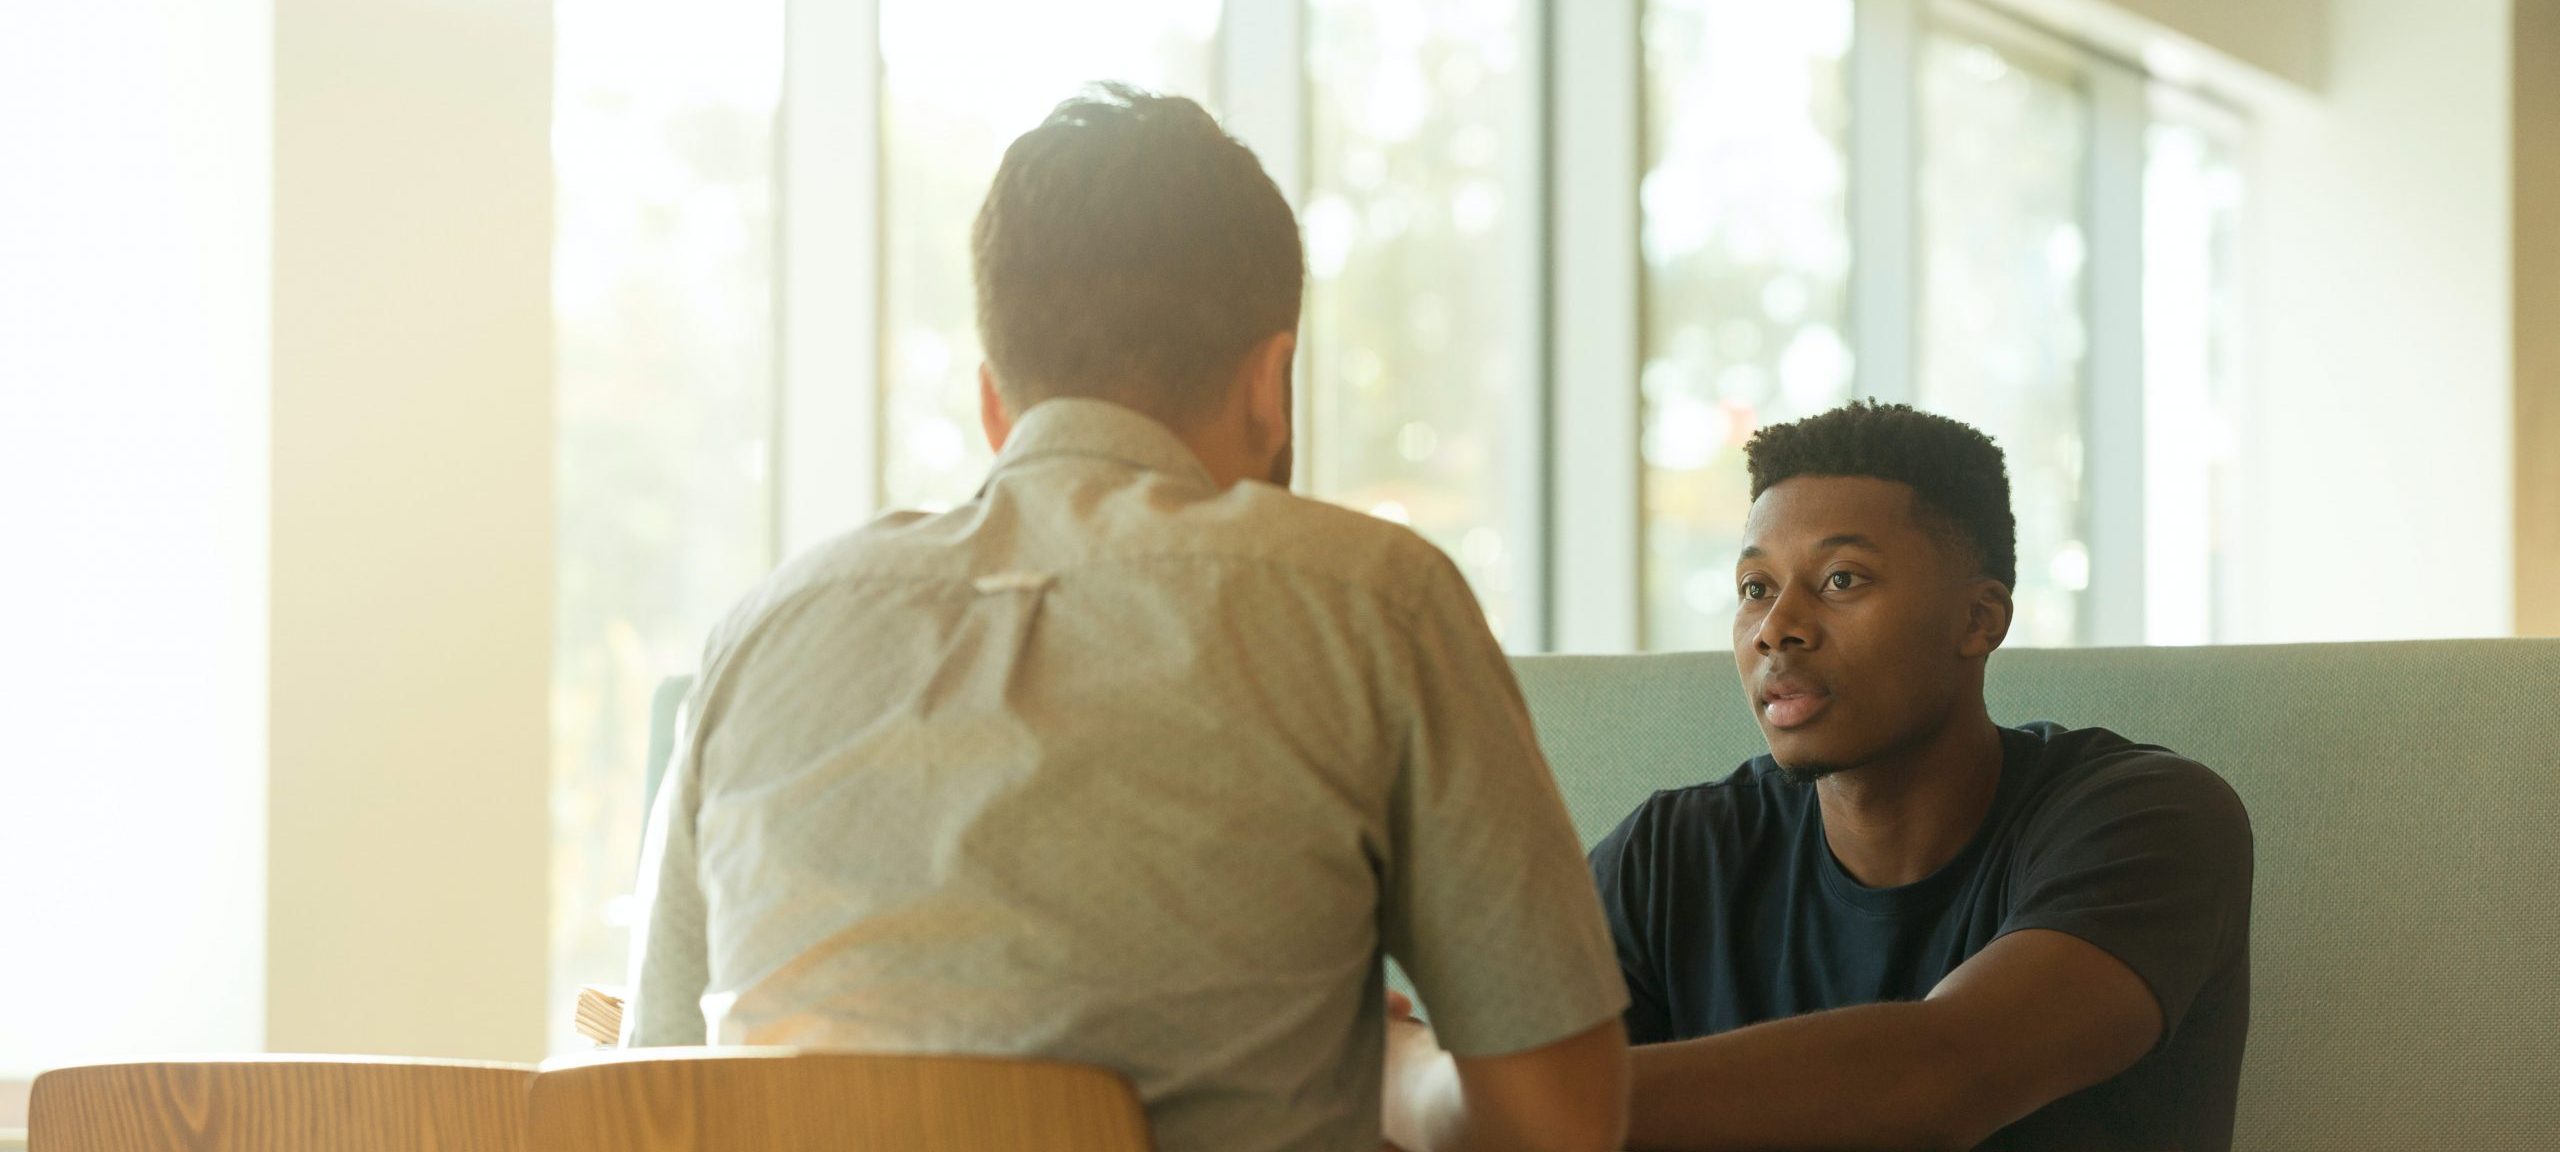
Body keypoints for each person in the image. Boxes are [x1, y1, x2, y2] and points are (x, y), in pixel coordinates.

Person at [622, 84, 1629, 1152]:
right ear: (1272, 386)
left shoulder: (761, 634)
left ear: (994, 403)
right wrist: (1400, 1069)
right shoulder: (1374, 601)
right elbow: (1555, 1127)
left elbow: (648, 1100)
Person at [1392, 401, 2252, 1150]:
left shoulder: (2148, 820)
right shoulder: (1673, 857)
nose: (1777, 628)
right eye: (1755, 586)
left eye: (1842, 579)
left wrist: (1446, 1093)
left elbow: (1942, 1077)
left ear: (1978, 619)